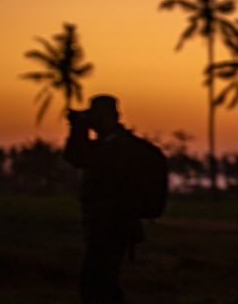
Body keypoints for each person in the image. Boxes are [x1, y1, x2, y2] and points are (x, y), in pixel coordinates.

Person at [64, 94, 166, 303]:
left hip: (114, 224)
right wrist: (78, 129)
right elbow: (77, 157)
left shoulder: (123, 149)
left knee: (98, 282)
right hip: (106, 224)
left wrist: (80, 128)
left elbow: (81, 157)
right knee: (101, 281)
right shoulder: (115, 146)